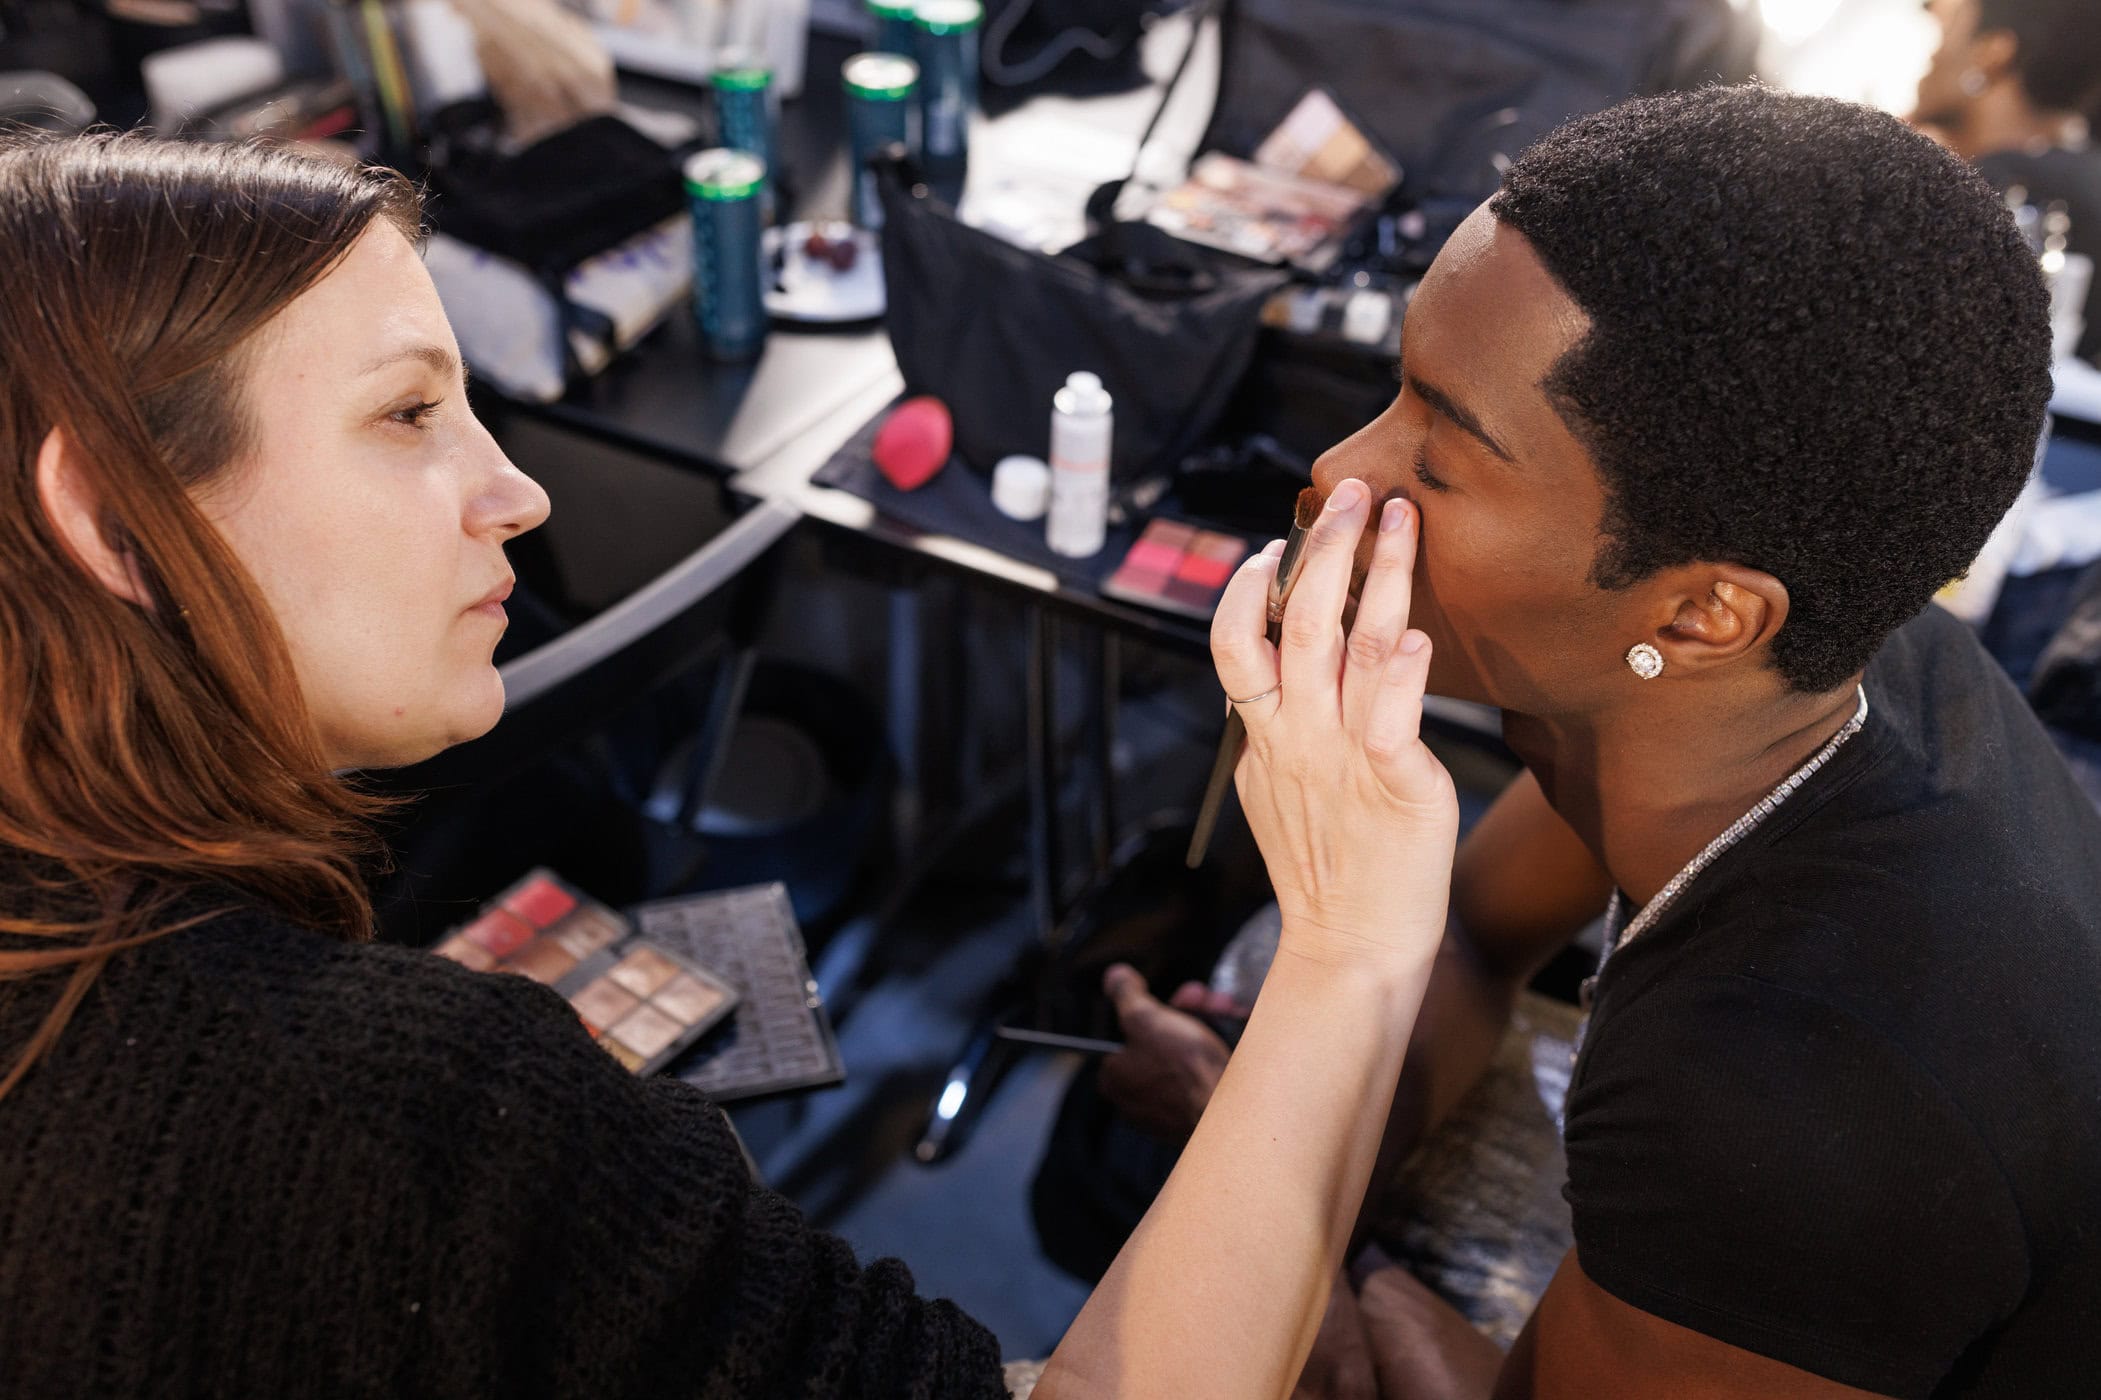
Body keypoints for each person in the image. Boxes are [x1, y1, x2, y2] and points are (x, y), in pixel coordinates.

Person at [0, 131, 1457, 1398]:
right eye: (407, 413)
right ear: (115, 515)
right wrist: (1348, 941)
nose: (519, 492)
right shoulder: (402, 1117)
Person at [1096, 85, 2101, 1398]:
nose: (1336, 471)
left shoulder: (1796, 1094)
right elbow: (1473, 933)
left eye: (1438, 461)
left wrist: (1303, 1246)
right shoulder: (1786, 671)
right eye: (1396, 393)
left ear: (1700, 614)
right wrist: (1281, 1134)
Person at [1912, 0, 2101, 362]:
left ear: (1993, 53)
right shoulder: (2082, 182)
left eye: (1945, 30)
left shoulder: (1989, 191)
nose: (1931, 55)